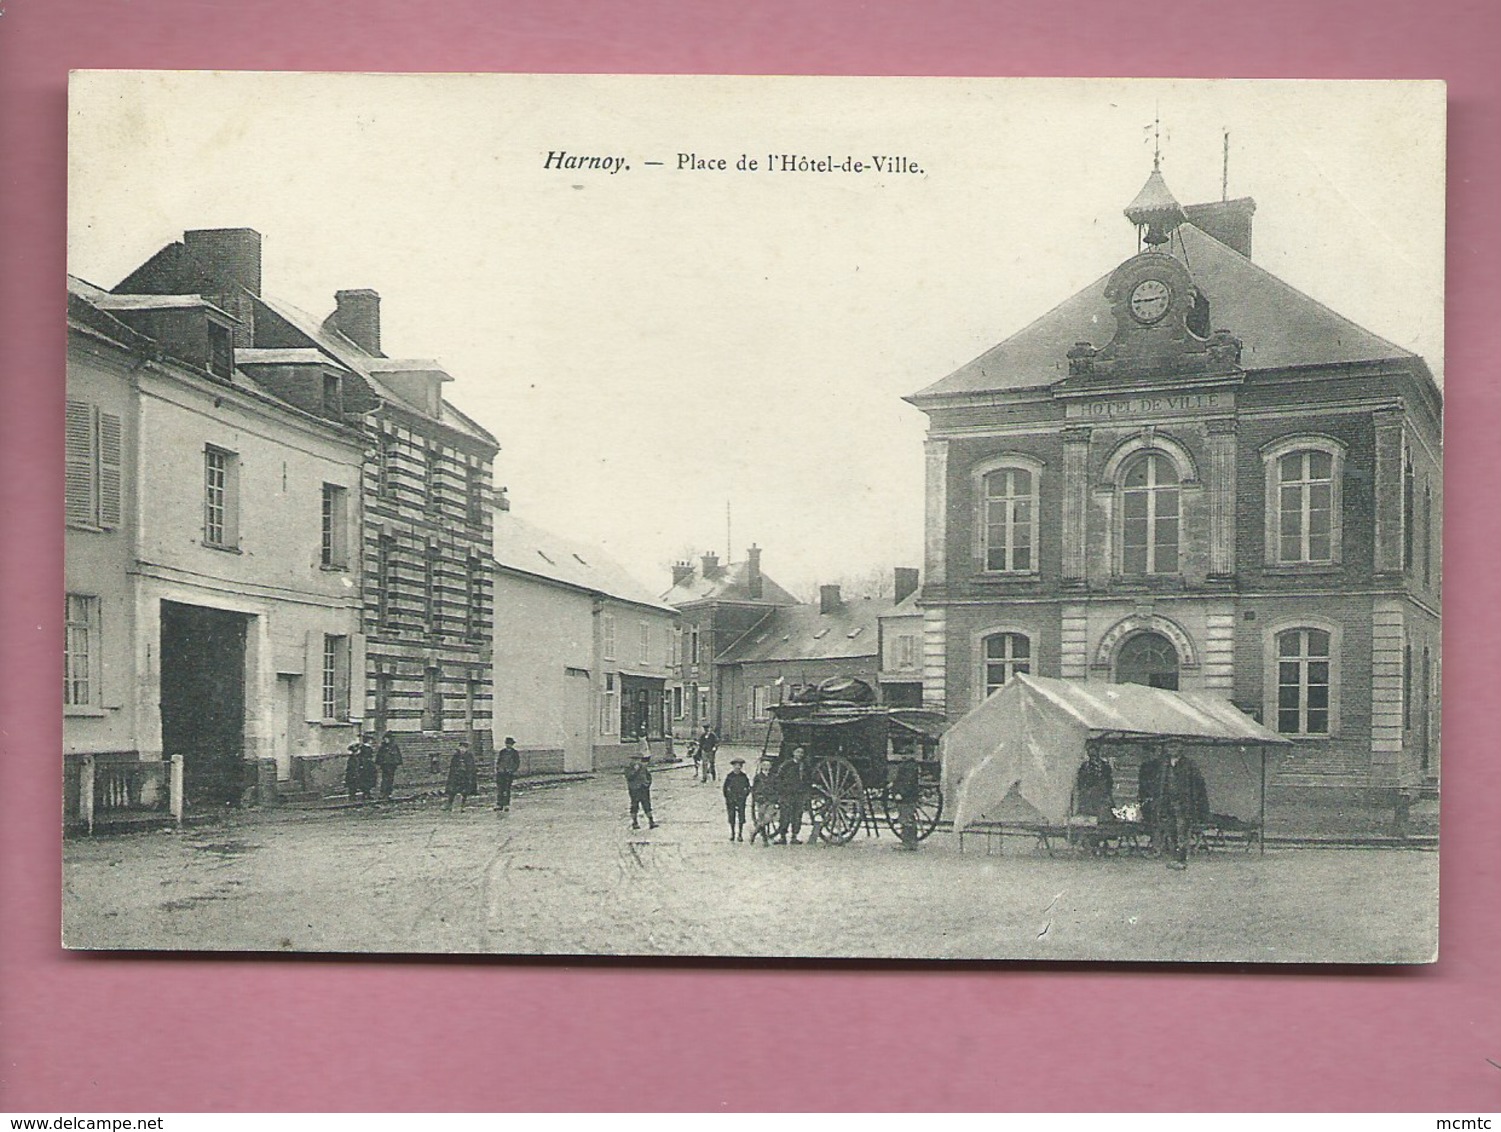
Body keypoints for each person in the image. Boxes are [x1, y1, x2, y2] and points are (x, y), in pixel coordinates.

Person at [1154, 742, 1210, 869]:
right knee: (1171, 831)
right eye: (1169, 746)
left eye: (1175, 746)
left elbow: (1197, 785)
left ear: (1181, 748)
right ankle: (1174, 858)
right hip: (1168, 804)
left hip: (1183, 804)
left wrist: (1195, 803)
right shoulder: (1165, 765)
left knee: (1182, 832)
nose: (1171, 749)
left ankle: (1182, 859)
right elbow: (1161, 784)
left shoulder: (1189, 765)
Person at [1073, 746, 1115, 854]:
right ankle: (1090, 844)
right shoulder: (1085, 767)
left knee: (1104, 821)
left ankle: (1103, 842)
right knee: (1088, 821)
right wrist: (1087, 791)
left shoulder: (1104, 766)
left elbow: (1109, 782)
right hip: (1088, 799)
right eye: (1090, 752)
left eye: (1094, 752)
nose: (1092, 754)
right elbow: (1080, 782)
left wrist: (1103, 791)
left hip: (1101, 798)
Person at [888, 743, 923, 850]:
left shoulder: (908, 767)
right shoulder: (911, 766)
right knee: (908, 818)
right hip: (909, 796)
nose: (904, 756)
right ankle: (911, 842)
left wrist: (900, 793)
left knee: (905, 819)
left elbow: (906, 782)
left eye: (905, 754)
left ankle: (908, 843)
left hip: (906, 796)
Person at [774, 746, 812, 845]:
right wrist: (782, 790)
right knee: (785, 815)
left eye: (801, 753)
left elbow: (808, 780)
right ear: (793, 753)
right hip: (787, 794)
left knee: (797, 815)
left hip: (799, 794)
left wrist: (805, 791)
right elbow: (778, 778)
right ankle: (782, 836)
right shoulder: (786, 765)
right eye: (798, 752)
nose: (800, 754)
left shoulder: (805, 766)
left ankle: (794, 836)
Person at [624, 747, 656, 830]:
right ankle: (635, 822)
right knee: (634, 805)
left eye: (638, 759)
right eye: (635, 759)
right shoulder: (628, 767)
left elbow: (648, 776)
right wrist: (635, 771)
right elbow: (629, 777)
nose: (637, 761)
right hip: (634, 789)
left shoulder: (643, 767)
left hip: (643, 788)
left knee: (647, 805)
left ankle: (651, 822)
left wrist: (647, 783)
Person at [443, 739, 478, 811]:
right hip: (456, 776)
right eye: (461, 748)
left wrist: (470, 775)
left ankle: (462, 806)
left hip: (465, 776)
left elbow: (471, 767)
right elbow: (452, 767)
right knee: (453, 791)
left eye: (464, 748)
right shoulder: (456, 756)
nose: (462, 750)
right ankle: (449, 804)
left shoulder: (469, 756)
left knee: (464, 792)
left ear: (467, 749)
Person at [722, 756, 751, 842]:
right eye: (736, 765)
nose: (738, 767)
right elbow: (725, 788)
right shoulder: (730, 776)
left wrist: (744, 795)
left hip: (741, 799)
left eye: (739, 766)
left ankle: (740, 834)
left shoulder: (744, 776)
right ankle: (732, 833)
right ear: (733, 766)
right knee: (732, 817)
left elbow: (748, 787)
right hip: (731, 799)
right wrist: (728, 797)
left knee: (741, 817)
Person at [345, 733, 375, 803]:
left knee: (363, 782)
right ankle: (353, 796)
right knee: (354, 785)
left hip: (359, 772)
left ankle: (364, 794)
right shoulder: (353, 758)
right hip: (354, 773)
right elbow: (352, 767)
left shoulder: (357, 757)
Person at [374, 731, 403, 801]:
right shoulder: (382, 747)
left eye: (387, 738)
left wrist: (397, 763)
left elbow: (397, 756)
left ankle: (389, 793)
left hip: (391, 766)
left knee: (390, 780)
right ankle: (383, 793)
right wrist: (379, 763)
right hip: (385, 766)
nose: (385, 740)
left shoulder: (393, 746)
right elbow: (379, 756)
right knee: (384, 779)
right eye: (385, 739)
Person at [494, 736, 521, 813]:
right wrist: (498, 769)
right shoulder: (502, 752)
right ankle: (499, 804)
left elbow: (517, 763)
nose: (508, 745)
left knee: (507, 789)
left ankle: (506, 805)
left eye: (510, 744)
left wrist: (512, 770)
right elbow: (499, 761)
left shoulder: (514, 753)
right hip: (501, 773)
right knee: (500, 789)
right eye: (507, 744)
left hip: (509, 773)